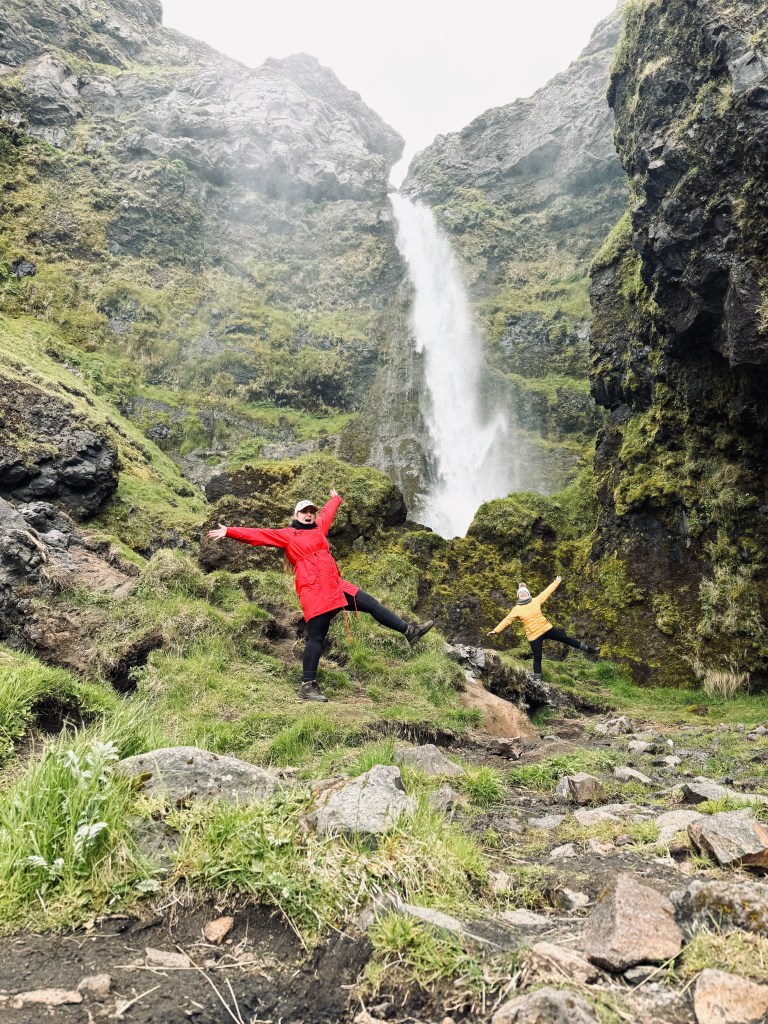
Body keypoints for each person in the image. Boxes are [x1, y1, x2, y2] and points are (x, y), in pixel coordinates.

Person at [208, 489, 434, 702]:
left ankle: (409, 631)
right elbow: (259, 535)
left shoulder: (319, 529)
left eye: (311, 512)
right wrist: (229, 531)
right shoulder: (287, 535)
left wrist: (336, 499)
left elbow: (328, 513)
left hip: (336, 585)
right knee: (316, 637)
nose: (309, 515)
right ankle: (308, 685)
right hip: (314, 590)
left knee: (371, 604)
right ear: (296, 515)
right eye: (304, 512)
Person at [487, 577, 598, 680]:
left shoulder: (536, 600)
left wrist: (556, 582)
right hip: (534, 636)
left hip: (546, 628)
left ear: (528, 594)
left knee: (566, 639)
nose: (523, 595)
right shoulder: (516, 609)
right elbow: (507, 620)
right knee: (538, 657)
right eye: (521, 594)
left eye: (525, 593)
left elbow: (546, 592)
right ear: (518, 596)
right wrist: (496, 631)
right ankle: (538, 680)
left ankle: (589, 649)